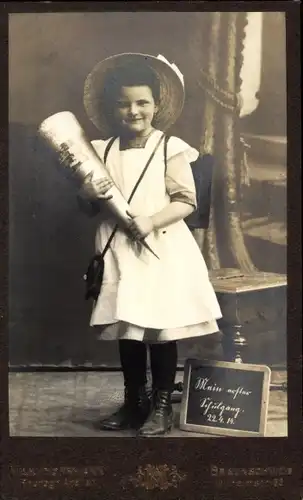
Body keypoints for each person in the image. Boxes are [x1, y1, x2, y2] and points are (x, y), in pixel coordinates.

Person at [77, 53, 222, 437]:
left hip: (160, 247)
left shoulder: (168, 148)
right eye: (123, 103)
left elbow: (186, 200)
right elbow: (90, 206)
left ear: (157, 105)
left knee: (158, 328)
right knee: (129, 327)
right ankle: (134, 400)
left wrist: (151, 220)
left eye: (142, 102)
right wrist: (86, 191)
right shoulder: (101, 150)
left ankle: (161, 404)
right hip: (119, 249)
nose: (133, 110)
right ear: (112, 108)